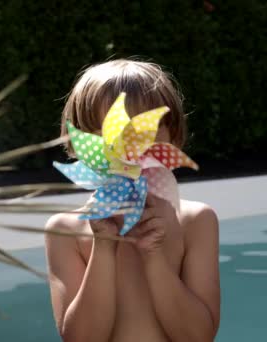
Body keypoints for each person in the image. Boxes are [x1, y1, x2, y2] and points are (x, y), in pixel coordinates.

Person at [45, 59, 220, 342]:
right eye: (106, 134)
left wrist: (154, 257)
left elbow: (198, 337)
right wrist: (103, 246)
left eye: (141, 134)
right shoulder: (65, 230)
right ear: (80, 145)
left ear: (172, 138)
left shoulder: (195, 221)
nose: (126, 150)